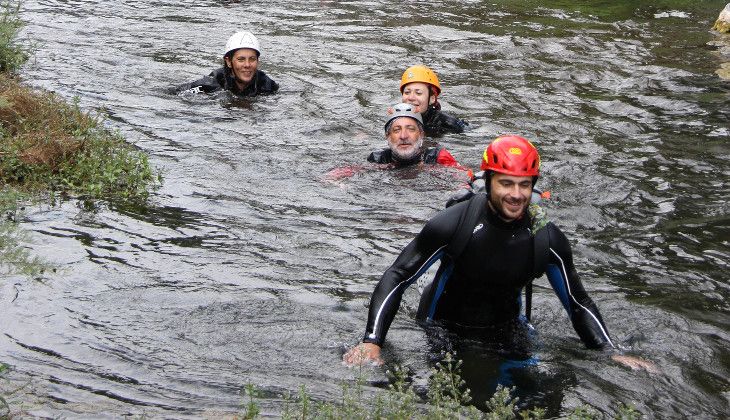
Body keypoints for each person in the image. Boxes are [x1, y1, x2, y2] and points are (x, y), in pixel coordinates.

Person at [343, 135, 656, 373]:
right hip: (442, 328)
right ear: (488, 182)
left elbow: (577, 301)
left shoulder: (546, 237)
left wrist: (609, 350)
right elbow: (398, 276)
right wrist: (372, 341)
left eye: (524, 185)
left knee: (535, 401)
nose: (516, 195)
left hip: (507, 330)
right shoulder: (454, 224)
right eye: (506, 183)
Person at [325, 103, 467, 180]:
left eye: (410, 129)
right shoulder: (379, 159)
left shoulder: (437, 157)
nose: (403, 136)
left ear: (422, 135)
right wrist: (332, 180)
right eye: (397, 130)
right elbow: (352, 170)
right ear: (388, 137)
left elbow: (464, 176)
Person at [173, 31, 278, 97]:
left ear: (257, 61)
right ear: (228, 61)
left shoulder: (268, 86)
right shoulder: (210, 84)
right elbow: (174, 94)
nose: (247, 65)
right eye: (241, 59)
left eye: (252, 59)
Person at [399, 65, 468, 136]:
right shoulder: (395, 118)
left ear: (432, 99)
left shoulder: (448, 124)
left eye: (418, 93)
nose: (411, 97)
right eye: (407, 92)